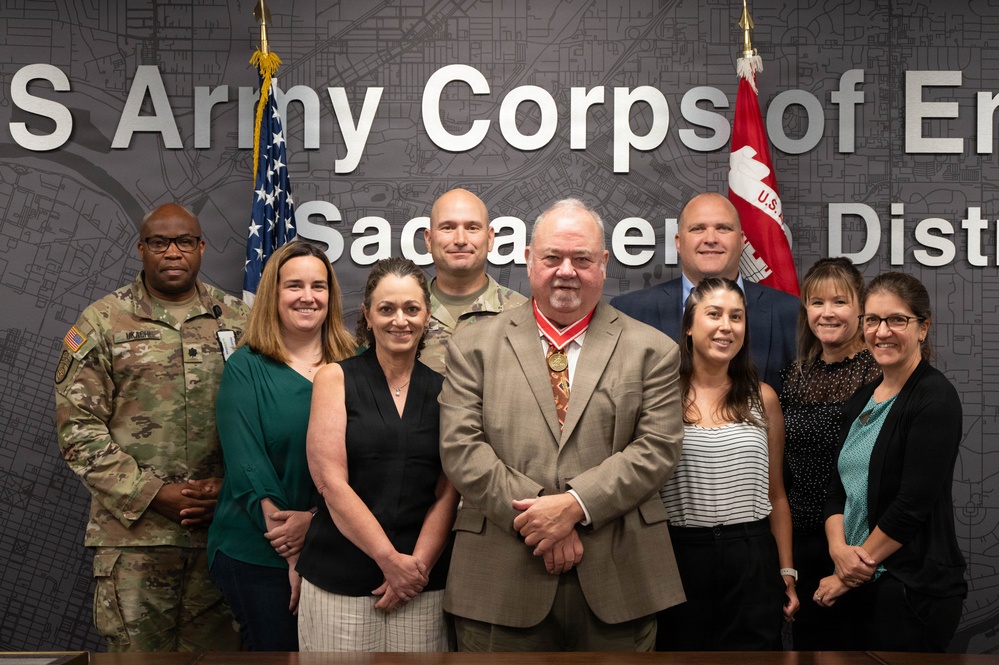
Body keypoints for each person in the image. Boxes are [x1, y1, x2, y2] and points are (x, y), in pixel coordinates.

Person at [439, 198, 685, 651]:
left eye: (582, 259)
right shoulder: (473, 345)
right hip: (500, 577)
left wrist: (573, 506)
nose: (566, 271)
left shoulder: (654, 349)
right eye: (552, 257)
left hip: (619, 575)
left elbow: (657, 449)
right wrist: (542, 517)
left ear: (605, 264)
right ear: (530, 259)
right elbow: (461, 448)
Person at [54, 203, 246, 651]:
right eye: (159, 243)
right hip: (135, 541)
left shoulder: (238, 320)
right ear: (142, 249)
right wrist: (153, 494)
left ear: (201, 248)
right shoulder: (102, 322)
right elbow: (78, 431)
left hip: (220, 531)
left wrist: (231, 489)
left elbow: (264, 419)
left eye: (184, 242)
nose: (172, 252)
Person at [296, 257, 458, 652]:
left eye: (411, 309)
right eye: (386, 309)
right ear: (367, 315)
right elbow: (331, 484)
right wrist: (390, 562)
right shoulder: (335, 378)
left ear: (427, 315)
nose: (399, 320)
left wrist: (415, 569)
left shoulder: (448, 390)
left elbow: (448, 492)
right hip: (340, 579)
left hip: (422, 584)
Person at [206, 241, 355, 650]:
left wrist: (315, 523)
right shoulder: (246, 366)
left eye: (318, 286)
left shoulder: (358, 364)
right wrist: (291, 552)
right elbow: (247, 464)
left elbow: (369, 461)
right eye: (294, 286)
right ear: (273, 292)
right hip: (257, 550)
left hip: (336, 544)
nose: (307, 297)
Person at [815, 272, 967, 652]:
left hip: (909, 589)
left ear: (923, 328)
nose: (882, 332)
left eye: (897, 319)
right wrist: (838, 552)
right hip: (856, 579)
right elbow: (837, 490)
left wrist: (849, 575)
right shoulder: (862, 398)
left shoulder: (935, 399)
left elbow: (910, 507)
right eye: (873, 320)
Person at [657, 277, 799, 650]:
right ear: (689, 325)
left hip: (751, 558)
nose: (726, 326)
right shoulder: (659, 397)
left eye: (736, 317)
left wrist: (786, 571)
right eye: (714, 314)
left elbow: (777, 496)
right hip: (680, 557)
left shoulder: (762, 397)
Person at [777, 257, 881, 649]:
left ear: (860, 307)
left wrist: (856, 552)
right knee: (810, 648)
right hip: (802, 539)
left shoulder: (879, 373)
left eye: (839, 302)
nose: (827, 313)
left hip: (859, 542)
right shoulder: (794, 373)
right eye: (817, 303)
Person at [611, 192, 799, 391]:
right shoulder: (628, 312)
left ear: (742, 240)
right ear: (678, 241)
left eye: (723, 228)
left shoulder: (790, 312)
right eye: (698, 229)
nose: (710, 239)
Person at [421, 187, 528, 373]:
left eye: (472, 228)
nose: (460, 239)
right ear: (429, 240)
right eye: (448, 227)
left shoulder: (523, 314)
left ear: (490, 238)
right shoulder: (403, 315)